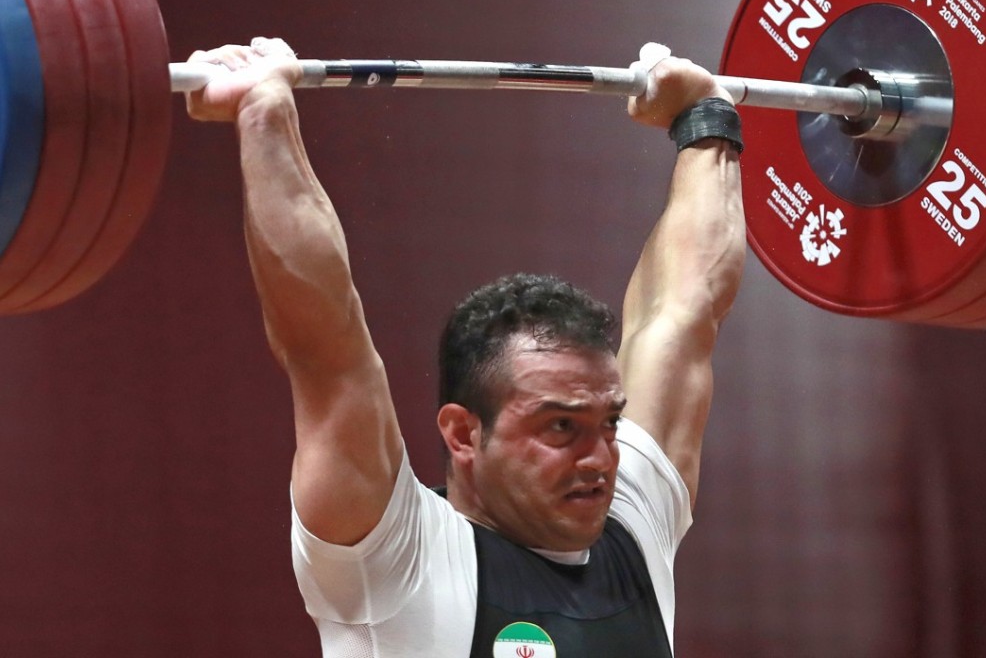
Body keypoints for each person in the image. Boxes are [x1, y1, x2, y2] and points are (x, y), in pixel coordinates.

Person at [186, 37, 745, 657]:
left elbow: (686, 310)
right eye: (561, 427)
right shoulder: (398, 561)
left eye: (608, 423)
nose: (600, 458)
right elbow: (325, 345)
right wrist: (264, 113)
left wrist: (706, 117)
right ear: (462, 433)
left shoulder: (635, 526)